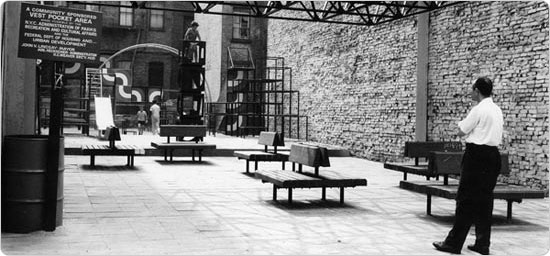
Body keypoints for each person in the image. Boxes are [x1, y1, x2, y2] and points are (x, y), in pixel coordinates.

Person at [433, 77, 504, 255]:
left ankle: (453, 243)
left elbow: (461, 131)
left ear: (477, 91)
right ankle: (483, 243)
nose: (471, 92)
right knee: (485, 200)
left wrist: (464, 128)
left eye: (472, 89)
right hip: (493, 156)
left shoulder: (478, 110)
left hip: (476, 156)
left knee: (465, 200)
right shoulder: (497, 110)